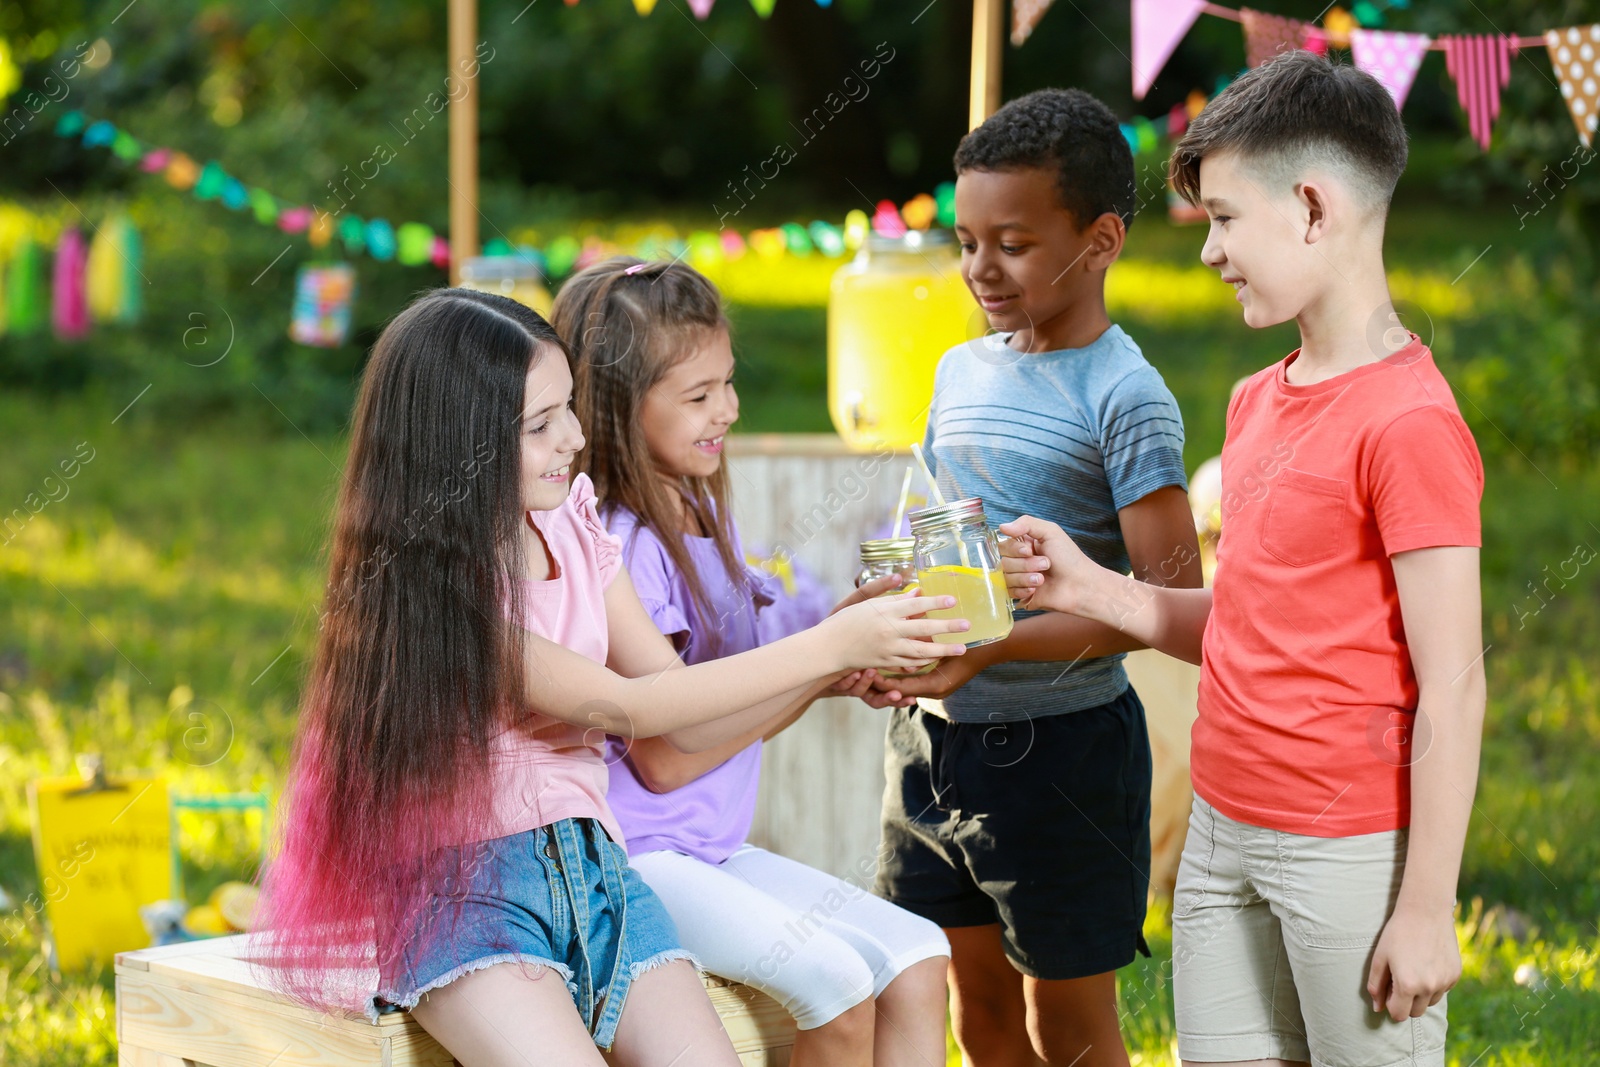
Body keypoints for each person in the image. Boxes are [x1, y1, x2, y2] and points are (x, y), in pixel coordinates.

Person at [255, 288, 969, 1067]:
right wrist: (829, 643)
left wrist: (832, 657)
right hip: (467, 895)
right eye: (540, 424)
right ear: (456, 445)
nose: (573, 436)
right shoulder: (436, 586)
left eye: (568, 406)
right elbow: (629, 706)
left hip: (599, 874)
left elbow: (680, 710)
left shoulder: (573, 521)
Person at [1000, 50, 1486, 1067]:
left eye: (1224, 218)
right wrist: (1085, 585)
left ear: (1313, 208)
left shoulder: (1408, 424)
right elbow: (1243, 624)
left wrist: (1427, 904)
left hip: (1346, 851)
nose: (1211, 251)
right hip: (1221, 842)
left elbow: (1454, 676)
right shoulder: (1256, 401)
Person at [865, 88, 1202, 1067]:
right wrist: (880, 614)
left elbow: (1160, 608)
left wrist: (995, 645)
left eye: (1009, 242)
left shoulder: (1125, 396)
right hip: (930, 746)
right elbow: (929, 526)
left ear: (1099, 240)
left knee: (1070, 1029)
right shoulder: (961, 369)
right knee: (972, 1006)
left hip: (1063, 761)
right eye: (966, 241)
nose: (979, 269)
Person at [552, 256, 952, 1067]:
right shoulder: (624, 547)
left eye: (727, 383)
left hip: (710, 850)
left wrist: (836, 650)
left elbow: (752, 686)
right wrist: (821, 658)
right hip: (639, 859)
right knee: (836, 981)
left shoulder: (699, 517)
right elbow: (666, 756)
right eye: (698, 397)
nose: (726, 410)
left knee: (918, 955)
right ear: (619, 409)